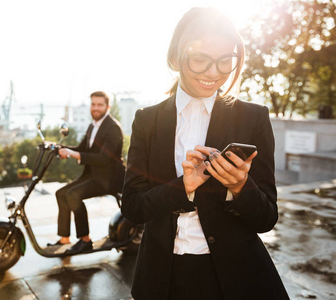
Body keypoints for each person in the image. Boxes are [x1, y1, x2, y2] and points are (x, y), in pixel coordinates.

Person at [121, 7, 289, 300]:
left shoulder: (253, 118)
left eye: (225, 61)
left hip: (236, 277)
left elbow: (266, 218)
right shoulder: (146, 120)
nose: (214, 73)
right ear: (176, 57)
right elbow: (133, 208)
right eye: (201, 59)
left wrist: (240, 187)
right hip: (162, 277)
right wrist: (182, 187)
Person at [49, 91, 125, 254]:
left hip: (109, 178)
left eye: (100, 105)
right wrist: (60, 148)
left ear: (107, 107)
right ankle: (64, 239)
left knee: (73, 195)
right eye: (93, 104)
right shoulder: (93, 126)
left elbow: (104, 158)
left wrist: (73, 154)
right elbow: (82, 149)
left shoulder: (113, 128)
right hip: (93, 175)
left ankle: (85, 240)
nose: (96, 108)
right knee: (61, 193)